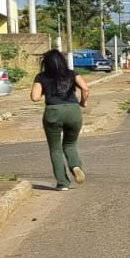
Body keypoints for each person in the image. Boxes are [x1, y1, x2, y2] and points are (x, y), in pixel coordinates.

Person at [30, 49, 90, 191]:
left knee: (55, 148)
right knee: (70, 144)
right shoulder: (72, 74)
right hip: (73, 111)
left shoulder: (41, 77)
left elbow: (35, 97)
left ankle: (63, 183)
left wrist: (44, 90)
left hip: (53, 112)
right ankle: (75, 165)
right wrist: (83, 102)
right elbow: (85, 88)